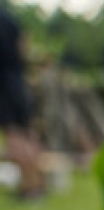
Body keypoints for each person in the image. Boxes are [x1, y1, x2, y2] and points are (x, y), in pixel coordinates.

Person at [0, 1, 44, 199]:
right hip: (18, 81)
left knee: (15, 138)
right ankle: (36, 183)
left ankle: (30, 188)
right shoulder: (11, 18)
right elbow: (24, 47)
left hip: (3, 84)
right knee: (28, 135)